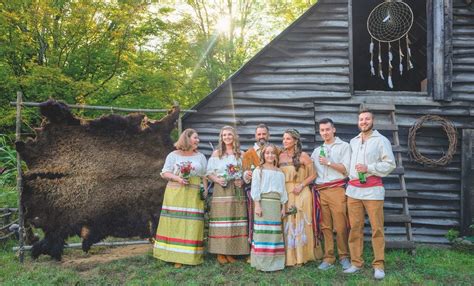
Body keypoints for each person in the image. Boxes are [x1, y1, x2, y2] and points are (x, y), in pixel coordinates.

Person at [343, 109, 396, 280]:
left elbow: (390, 164)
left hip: (373, 191)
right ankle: (356, 263)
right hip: (353, 191)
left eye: (367, 119)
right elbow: (348, 166)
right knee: (355, 228)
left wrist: (370, 168)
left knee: (377, 229)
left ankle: (378, 265)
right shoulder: (353, 141)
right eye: (361, 119)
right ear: (358, 122)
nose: (364, 122)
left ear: (372, 121)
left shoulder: (381, 140)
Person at [153, 129, 208, 268]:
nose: (198, 141)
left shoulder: (200, 156)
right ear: (187, 138)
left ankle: (188, 256)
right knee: (175, 222)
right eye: (195, 138)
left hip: (194, 193)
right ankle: (172, 255)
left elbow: (204, 175)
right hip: (176, 192)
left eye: (198, 138)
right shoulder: (173, 155)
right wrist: (178, 178)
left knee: (192, 224)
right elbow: (165, 173)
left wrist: (205, 190)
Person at [311, 118, 351, 271]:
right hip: (321, 191)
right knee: (325, 226)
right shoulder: (316, 151)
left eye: (328, 129)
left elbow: (346, 169)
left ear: (333, 129)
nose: (325, 133)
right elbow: (311, 170)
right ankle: (328, 257)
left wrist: (328, 162)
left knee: (340, 225)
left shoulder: (344, 146)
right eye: (322, 130)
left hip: (337, 189)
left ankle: (343, 256)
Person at [206, 126, 249, 264]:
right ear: (221, 137)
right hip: (221, 189)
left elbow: (248, 171)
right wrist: (218, 180)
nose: (227, 137)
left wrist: (242, 180)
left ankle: (231, 252)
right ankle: (220, 252)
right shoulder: (217, 153)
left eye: (229, 134)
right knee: (222, 221)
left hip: (236, 190)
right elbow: (209, 173)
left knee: (234, 219)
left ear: (234, 136)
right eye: (224, 135)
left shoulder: (241, 154)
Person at [279, 128, 317, 266]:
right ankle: (289, 257)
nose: (285, 141)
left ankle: (302, 256)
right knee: (288, 221)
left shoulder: (304, 156)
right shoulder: (281, 156)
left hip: (302, 191)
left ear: (295, 141)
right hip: (287, 191)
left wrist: (301, 185)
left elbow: (313, 175)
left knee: (301, 221)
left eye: (288, 138)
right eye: (283, 139)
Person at [250, 143, 287, 272]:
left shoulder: (280, 172)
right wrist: (257, 205)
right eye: (267, 153)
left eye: (272, 153)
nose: (270, 155)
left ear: (276, 156)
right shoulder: (258, 170)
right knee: (262, 234)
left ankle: (275, 262)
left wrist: (283, 207)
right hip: (263, 203)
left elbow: (283, 191)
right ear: (263, 155)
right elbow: (255, 189)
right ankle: (261, 262)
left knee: (274, 233)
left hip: (276, 204)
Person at [242, 124, 270, 246]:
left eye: (264, 134)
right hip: (254, 192)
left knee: (269, 219)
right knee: (254, 219)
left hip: (270, 192)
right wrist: (246, 175)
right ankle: (255, 247)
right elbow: (244, 173)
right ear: (255, 136)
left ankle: (269, 246)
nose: (261, 136)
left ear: (268, 135)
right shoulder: (248, 154)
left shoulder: (275, 151)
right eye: (259, 134)